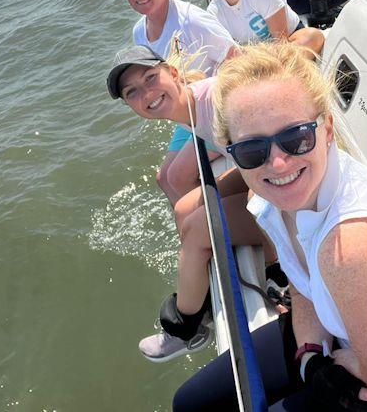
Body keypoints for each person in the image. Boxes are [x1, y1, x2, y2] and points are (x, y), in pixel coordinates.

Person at [209, 43, 367, 411]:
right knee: (191, 401)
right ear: (232, 153)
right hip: (348, 349)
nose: (279, 164)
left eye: (295, 137)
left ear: (327, 129)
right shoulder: (275, 203)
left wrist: (330, 367)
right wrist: (310, 355)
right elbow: (303, 290)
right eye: (253, 150)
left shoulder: (352, 246)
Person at [106, 45, 278, 363]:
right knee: (185, 209)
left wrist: (275, 269)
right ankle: (201, 299)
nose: (146, 93)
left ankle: (186, 330)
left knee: (199, 230)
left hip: (291, 185)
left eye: (150, 78)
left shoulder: (216, 104)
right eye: (132, 92)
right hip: (265, 172)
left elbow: (271, 168)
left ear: (172, 73)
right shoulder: (191, 108)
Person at [114, 0, 239, 204]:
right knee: (164, 178)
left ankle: (213, 222)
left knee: (178, 177)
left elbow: (236, 59)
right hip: (187, 116)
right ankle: (193, 227)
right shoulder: (141, 31)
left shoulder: (192, 20)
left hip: (213, 112)